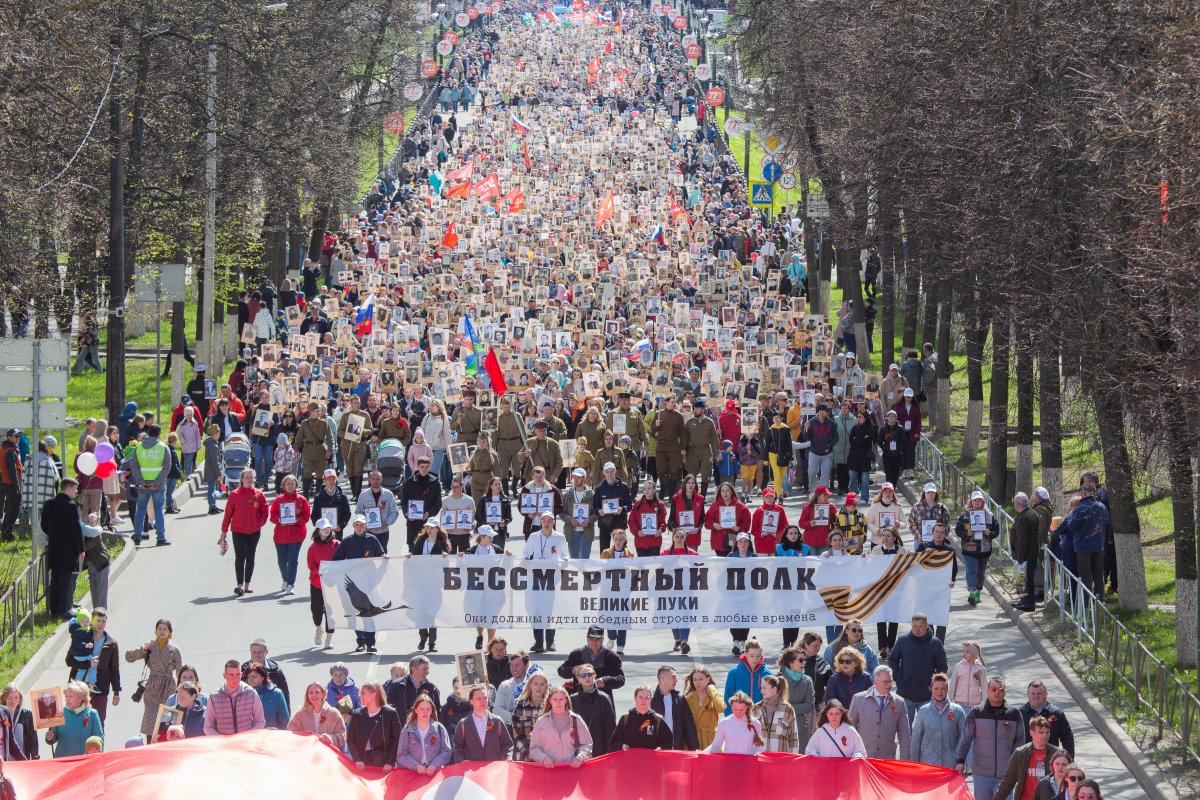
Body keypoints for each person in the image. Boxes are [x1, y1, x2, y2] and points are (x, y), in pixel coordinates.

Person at [956, 677, 1026, 800]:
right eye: (993, 689)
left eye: (1000, 689)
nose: (997, 692)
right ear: (987, 691)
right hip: (982, 773)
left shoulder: (1014, 714)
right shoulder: (976, 712)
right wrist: (960, 761)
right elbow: (966, 738)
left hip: (1006, 773)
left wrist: (1015, 763)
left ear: (1005, 692)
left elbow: (1020, 740)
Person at [331, 516, 386, 653]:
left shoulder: (372, 540)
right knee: (355, 612)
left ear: (366, 526)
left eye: (361, 525)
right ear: (353, 526)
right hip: (353, 583)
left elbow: (381, 554)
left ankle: (370, 643)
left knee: (369, 612)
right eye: (356, 525)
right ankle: (360, 641)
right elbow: (337, 559)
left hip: (369, 582)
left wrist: (384, 557)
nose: (359, 527)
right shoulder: (347, 541)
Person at [125, 619, 183, 738]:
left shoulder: (174, 649)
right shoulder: (150, 646)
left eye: (165, 629)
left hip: (168, 686)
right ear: (155, 631)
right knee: (150, 719)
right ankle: (149, 746)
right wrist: (143, 649)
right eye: (159, 629)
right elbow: (129, 657)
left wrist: (182, 688)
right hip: (152, 686)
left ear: (170, 632)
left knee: (166, 719)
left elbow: (180, 670)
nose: (162, 631)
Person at [522, 511, 568, 653]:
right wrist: (528, 561)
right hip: (536, 577)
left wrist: (561, 562)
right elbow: (525, 554)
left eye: (549, 521)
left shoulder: (560, 538)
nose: (547, 524)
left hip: (551, 577)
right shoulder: (534, 537)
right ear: (540, 522)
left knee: (550, 609)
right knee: (535, 608)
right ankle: (538, 642)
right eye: (544, 521)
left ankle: (550, 641)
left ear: (554, 522)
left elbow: (565, 556)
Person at [889, 612, 948, 720]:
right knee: (905, 729)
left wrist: (935, 684)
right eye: (914, 626)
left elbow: (942, 666)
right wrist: (897, 677)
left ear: (927, 626)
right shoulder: (903, 641)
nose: (917, 629)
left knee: (927, 728)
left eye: (920, 626)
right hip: (905, 693)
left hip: (927, 694)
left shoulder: (935, 643)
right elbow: (893, 659)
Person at [220, 470, 269, 596]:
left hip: (254, 531)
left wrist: (260, 523)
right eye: (246, 477)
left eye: (251, 477)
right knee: (240, 557)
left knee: (250, 557)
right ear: (241, 479)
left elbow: (265, 511)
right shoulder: (234, 494)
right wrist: (224, 531)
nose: (249, 479)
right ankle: (239, 584)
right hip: (238, 531)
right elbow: (228, 515)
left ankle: (247, 584)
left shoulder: (259, 494)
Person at [1056, 482, 1109, 599]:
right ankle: (1100, 601)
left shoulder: (1081, 509)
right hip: (1099, 546)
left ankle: (1086, 603)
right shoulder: (1102, 506)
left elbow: (1072, 527)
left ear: (1083, 493)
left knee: (1085, 575)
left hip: (1083, 547)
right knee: (1098, 575)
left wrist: (1069, 518)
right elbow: (1106, 521)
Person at [43, 478, 86, 619]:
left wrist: (54, 534)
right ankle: (65, 609)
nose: (76, 491)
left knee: (55, 579)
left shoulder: (49, 504)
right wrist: (81, 548)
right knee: (65, 580)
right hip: (68, 549)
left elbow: (44, 525)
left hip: (54, 547)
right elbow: (75, 529)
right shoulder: (70, 506)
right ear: (68, 488)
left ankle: (54, 609)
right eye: (75, 488)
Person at [848, 665, 911, 759]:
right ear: (875, 681)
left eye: (890, 681)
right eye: (885, 682)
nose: (889, 685)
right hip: (863, 757)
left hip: (887, 759)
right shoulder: (858, 699)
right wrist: (849, 754)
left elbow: (904, 733)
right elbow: (849, 729)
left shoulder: (899, 702)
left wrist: (904, 760)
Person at [910, 672, 966, 769]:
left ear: (948, 690)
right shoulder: (923, 711)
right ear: (931, 689)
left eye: (943, 689)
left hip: (950, 765)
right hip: (928, 764)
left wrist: (959, 760)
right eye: (936, 688)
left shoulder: (958, 711)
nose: (939, 692)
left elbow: (964, 738)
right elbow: (916, 739)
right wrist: (914, 764)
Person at [529, 684, 592, 767]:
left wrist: (579, 758)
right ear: (550, 701)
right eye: (555, 699)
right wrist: (544, 758)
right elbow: (533, 749)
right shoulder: (541, 722)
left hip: (571, 770)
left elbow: (587, 743)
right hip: (548, 771)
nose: (558, 702)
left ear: (566, 700)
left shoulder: (576, 720)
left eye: (561, 699)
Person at [129, 423, 171, 546]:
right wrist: (157, 483)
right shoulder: (163, 447)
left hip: (142, 485)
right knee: (159, 511)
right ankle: (161, 538)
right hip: (158, 485)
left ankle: (137, 537)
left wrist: (140, 481)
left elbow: (134, 465)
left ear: (148, 432)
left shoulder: (139, 447)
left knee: (140, 510)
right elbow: (167, 466)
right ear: (159, 433)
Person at [956, 490, 1000, 605]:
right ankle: (971, 592)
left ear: (982, 502)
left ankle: (978, 592)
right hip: (969, 549)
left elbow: (996, 530)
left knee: (980, 572)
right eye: (975, 500)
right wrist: (966, 533)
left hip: (984, 549)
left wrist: (989, 533)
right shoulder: (964, 516)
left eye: (979, 500)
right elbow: (958, 530)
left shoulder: (989, 515)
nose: (977, 502)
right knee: (971, 570)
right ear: (971, 502)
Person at [270, 474, 311, 595]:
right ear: (283, 486)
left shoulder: (301, 500)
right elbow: (272, 516)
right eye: (288, 483)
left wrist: (298, 520)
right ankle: (285, 579)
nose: (290, 485)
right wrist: (279, 520)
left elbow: (306, 516)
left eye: (292, 483)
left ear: (296, 486)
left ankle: (291, 584)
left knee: (292, 560)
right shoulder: (278, 500)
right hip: (280, 536)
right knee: (281, 561)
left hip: (296, 535)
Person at [452, 684, 513, 762]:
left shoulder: (497, 721)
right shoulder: (463, 724)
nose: (482, 701)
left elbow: (507, 744)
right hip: (473, 771)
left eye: (485, 698)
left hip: (493, 770)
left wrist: (508, 756)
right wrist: (461, 760)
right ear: (471, 701)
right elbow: (457, 747)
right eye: (478, 699)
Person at [203, 659, 266, 736]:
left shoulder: (251, 693)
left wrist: (249, 736)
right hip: (224, 745)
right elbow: (208, 727)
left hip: (246, 743)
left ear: (241, 674)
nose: (235, 679)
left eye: (238, 675)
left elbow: (260, 721)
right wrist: (222, 739)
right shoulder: (214, 698)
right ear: (224, 676)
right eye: (231, 675)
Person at [347, 682, 401, 770]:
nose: (360, 696)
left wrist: (389, 762)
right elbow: (350, 739)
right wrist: (357, 759)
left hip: (383, 764)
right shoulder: (357, 714)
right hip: (362, 764)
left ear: (373, 695)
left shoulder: (390, 713)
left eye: (363, 693)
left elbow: (397, 739)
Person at [395, 693, 451, 774]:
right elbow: (401, 755)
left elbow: (446, 751)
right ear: (416, 710)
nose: (425, 712)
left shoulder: (440, 728)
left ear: (432, 711)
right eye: (422, 709)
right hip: (412, 774)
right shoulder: (407, 730)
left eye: (428, 709)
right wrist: (416, 766)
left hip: (434, 774)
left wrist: (434, 765)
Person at [1019, 680, 1075, 758]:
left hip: (1050, 760)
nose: (1036, 696)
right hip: (1026, 759)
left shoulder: (1056, 713)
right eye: (1033, 693)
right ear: (1027, 695)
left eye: (1039, 693)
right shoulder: (1020, 713)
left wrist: (1068, 760)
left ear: (1046, 694)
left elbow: (1067, 738)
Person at [45, 682, 103, 757]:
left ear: (81, 697)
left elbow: (99, 738)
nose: (67, 699)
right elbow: (53, 736)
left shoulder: (92, 714)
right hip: (63, 760)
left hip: (84, 761)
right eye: (66, 696)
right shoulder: (59, 713)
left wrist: (97, 757)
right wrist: (49, 737)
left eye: (71, 696)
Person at [611, 684, 674, 751]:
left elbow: (668, 741)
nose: (643, 700)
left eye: (647, 698)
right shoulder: (625, 719)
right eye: (640, 697)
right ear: (635, 698)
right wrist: (622, 745)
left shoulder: (658, 719)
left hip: (651, 760)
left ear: (651, 699)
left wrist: (660, 748)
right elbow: (614, 742)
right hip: (630, 760)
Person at [649, 666, 699, 751]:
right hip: (656, 751)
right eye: (673, 677)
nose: (676, 680)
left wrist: (695, 748)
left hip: (676, 749)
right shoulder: (650, 699)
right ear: (663, 678)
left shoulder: (679, 699)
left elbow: (689, 725)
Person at [307, 519, 338, 648]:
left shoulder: (337, 544)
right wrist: (319, 572)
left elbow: (343, 560)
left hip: (332, 585)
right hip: (317, 584)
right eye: (324, 528)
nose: (327, 530)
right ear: (318, 530)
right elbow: (311, 565)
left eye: (328, 527)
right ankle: (319, 629)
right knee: (316, 610)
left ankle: (329, 639)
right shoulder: (313, 547)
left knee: (331, 613)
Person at [288, 681, 347, 748]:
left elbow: (342, 734)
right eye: (311, 693)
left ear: (323, 694)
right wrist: (304, 738)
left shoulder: (333, 713)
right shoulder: (300, 714)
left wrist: (331, 738)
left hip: (327, 754)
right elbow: (291, 732)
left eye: (317, 692)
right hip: (307, 754)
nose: (314, 695)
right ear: (307, 695)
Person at [386, 655, 442, 722]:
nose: (427, 672)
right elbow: (388, 709)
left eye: (428, 668)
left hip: (423, 731)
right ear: (414, 670)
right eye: (424, 669)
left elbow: (437, 713)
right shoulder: (396, 686)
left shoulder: (432, 689)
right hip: (401, 730)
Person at [752, 674, 799, 753]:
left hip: (780, 760)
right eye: (761, 688)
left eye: (764, 688)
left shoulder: (788, 709)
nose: (761, 691)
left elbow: (793, 738)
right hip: (760, 758)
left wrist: (793, 759)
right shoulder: (756, 708)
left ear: (774, 690)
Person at [723, 637, 771, 713]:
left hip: (761, 719)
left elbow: (771, 699)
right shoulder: (734, 673)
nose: (755, 659)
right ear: (745, 654)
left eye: (758, 656)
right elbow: (727, 698)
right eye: (752, 656)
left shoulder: (768, 674)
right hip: (738, 717)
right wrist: (730, 718)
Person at [511, 669, 550, 761]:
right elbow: (516, 733)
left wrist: (541, 755)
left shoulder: (550, 706)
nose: (538, 687)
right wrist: (529, 753)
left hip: (545, 756)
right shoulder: (520, 705)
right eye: (535, 683)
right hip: (523, 755)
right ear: (530, 685)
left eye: (542, 684)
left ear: (546, 687)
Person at [241, 640, 291, 711]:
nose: (257, 655)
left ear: (266, 652)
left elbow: (285, 694)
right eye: (254, 652)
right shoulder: (244, 670)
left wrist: (286, 714)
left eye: (260, 652)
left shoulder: (275, 670)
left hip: (271, 713)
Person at [704, 481, 750, 556]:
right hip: (719, 541)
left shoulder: (740, 507)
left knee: (734, 566)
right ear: (720, 493)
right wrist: (714, 525)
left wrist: (739, 528)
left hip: (736, 542)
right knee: (721, 566)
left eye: (727, 490)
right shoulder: (715, 506)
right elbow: (706, 521)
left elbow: (747, 522)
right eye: (723, 491)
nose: (725, 493)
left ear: (731, 492)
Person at [628, 479, 668, 556]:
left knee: (653, 566)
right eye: (644, 489)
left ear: (654, 489)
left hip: (655, 541)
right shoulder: (637, 504)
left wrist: (660, 529)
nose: (646, 491)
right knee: (643, 567)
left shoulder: (660, 505)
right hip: (641, 541)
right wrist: (637, 532)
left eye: (649, 488)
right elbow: (631, 521)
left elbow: (663, 522)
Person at [244, 662, 289, 729]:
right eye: (248, 677)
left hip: (272, 737)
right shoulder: (244, 695)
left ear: (263, 677)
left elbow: (285, 721)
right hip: (252, 737)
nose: (250, 679)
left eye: (254, 676)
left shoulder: (276, 694)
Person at [492, 652, 530, 725]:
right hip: (509, 725)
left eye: (517, 665)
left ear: (526, 666)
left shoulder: (535, 684)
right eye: (511, 665)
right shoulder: (504, 685)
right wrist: (517, 719)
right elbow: (497, 710)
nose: (514, 669)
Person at [1, 684, 38, 760]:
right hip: (6, 760)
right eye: (10, 698)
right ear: (4, 698)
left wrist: (35, 758)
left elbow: (33, 739)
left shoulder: (27, 714)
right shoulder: (2, 715)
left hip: (22, 759)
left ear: (20, 698)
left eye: (16, 697)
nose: (13, 701)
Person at [949, 641, 988, 710]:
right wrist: (949, 702)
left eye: (967, 652)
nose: (964, 654)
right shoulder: (958, 666)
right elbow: (952, 685)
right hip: (959, 704)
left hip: (975, 706)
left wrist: (985, 704)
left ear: (975, 654)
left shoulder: (981, 668)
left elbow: (985, 687)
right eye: (963, 651)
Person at [798, 485, 834, 555]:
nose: (826, 497)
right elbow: (801, 523)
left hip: (824, 541)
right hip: (810, 541)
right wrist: (809, 523)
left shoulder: (831, 507)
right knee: (811, 564)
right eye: (824, 495)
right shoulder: (807, 507)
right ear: (818, 496)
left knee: (823, 564)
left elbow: (835, 521)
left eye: (827, 495)